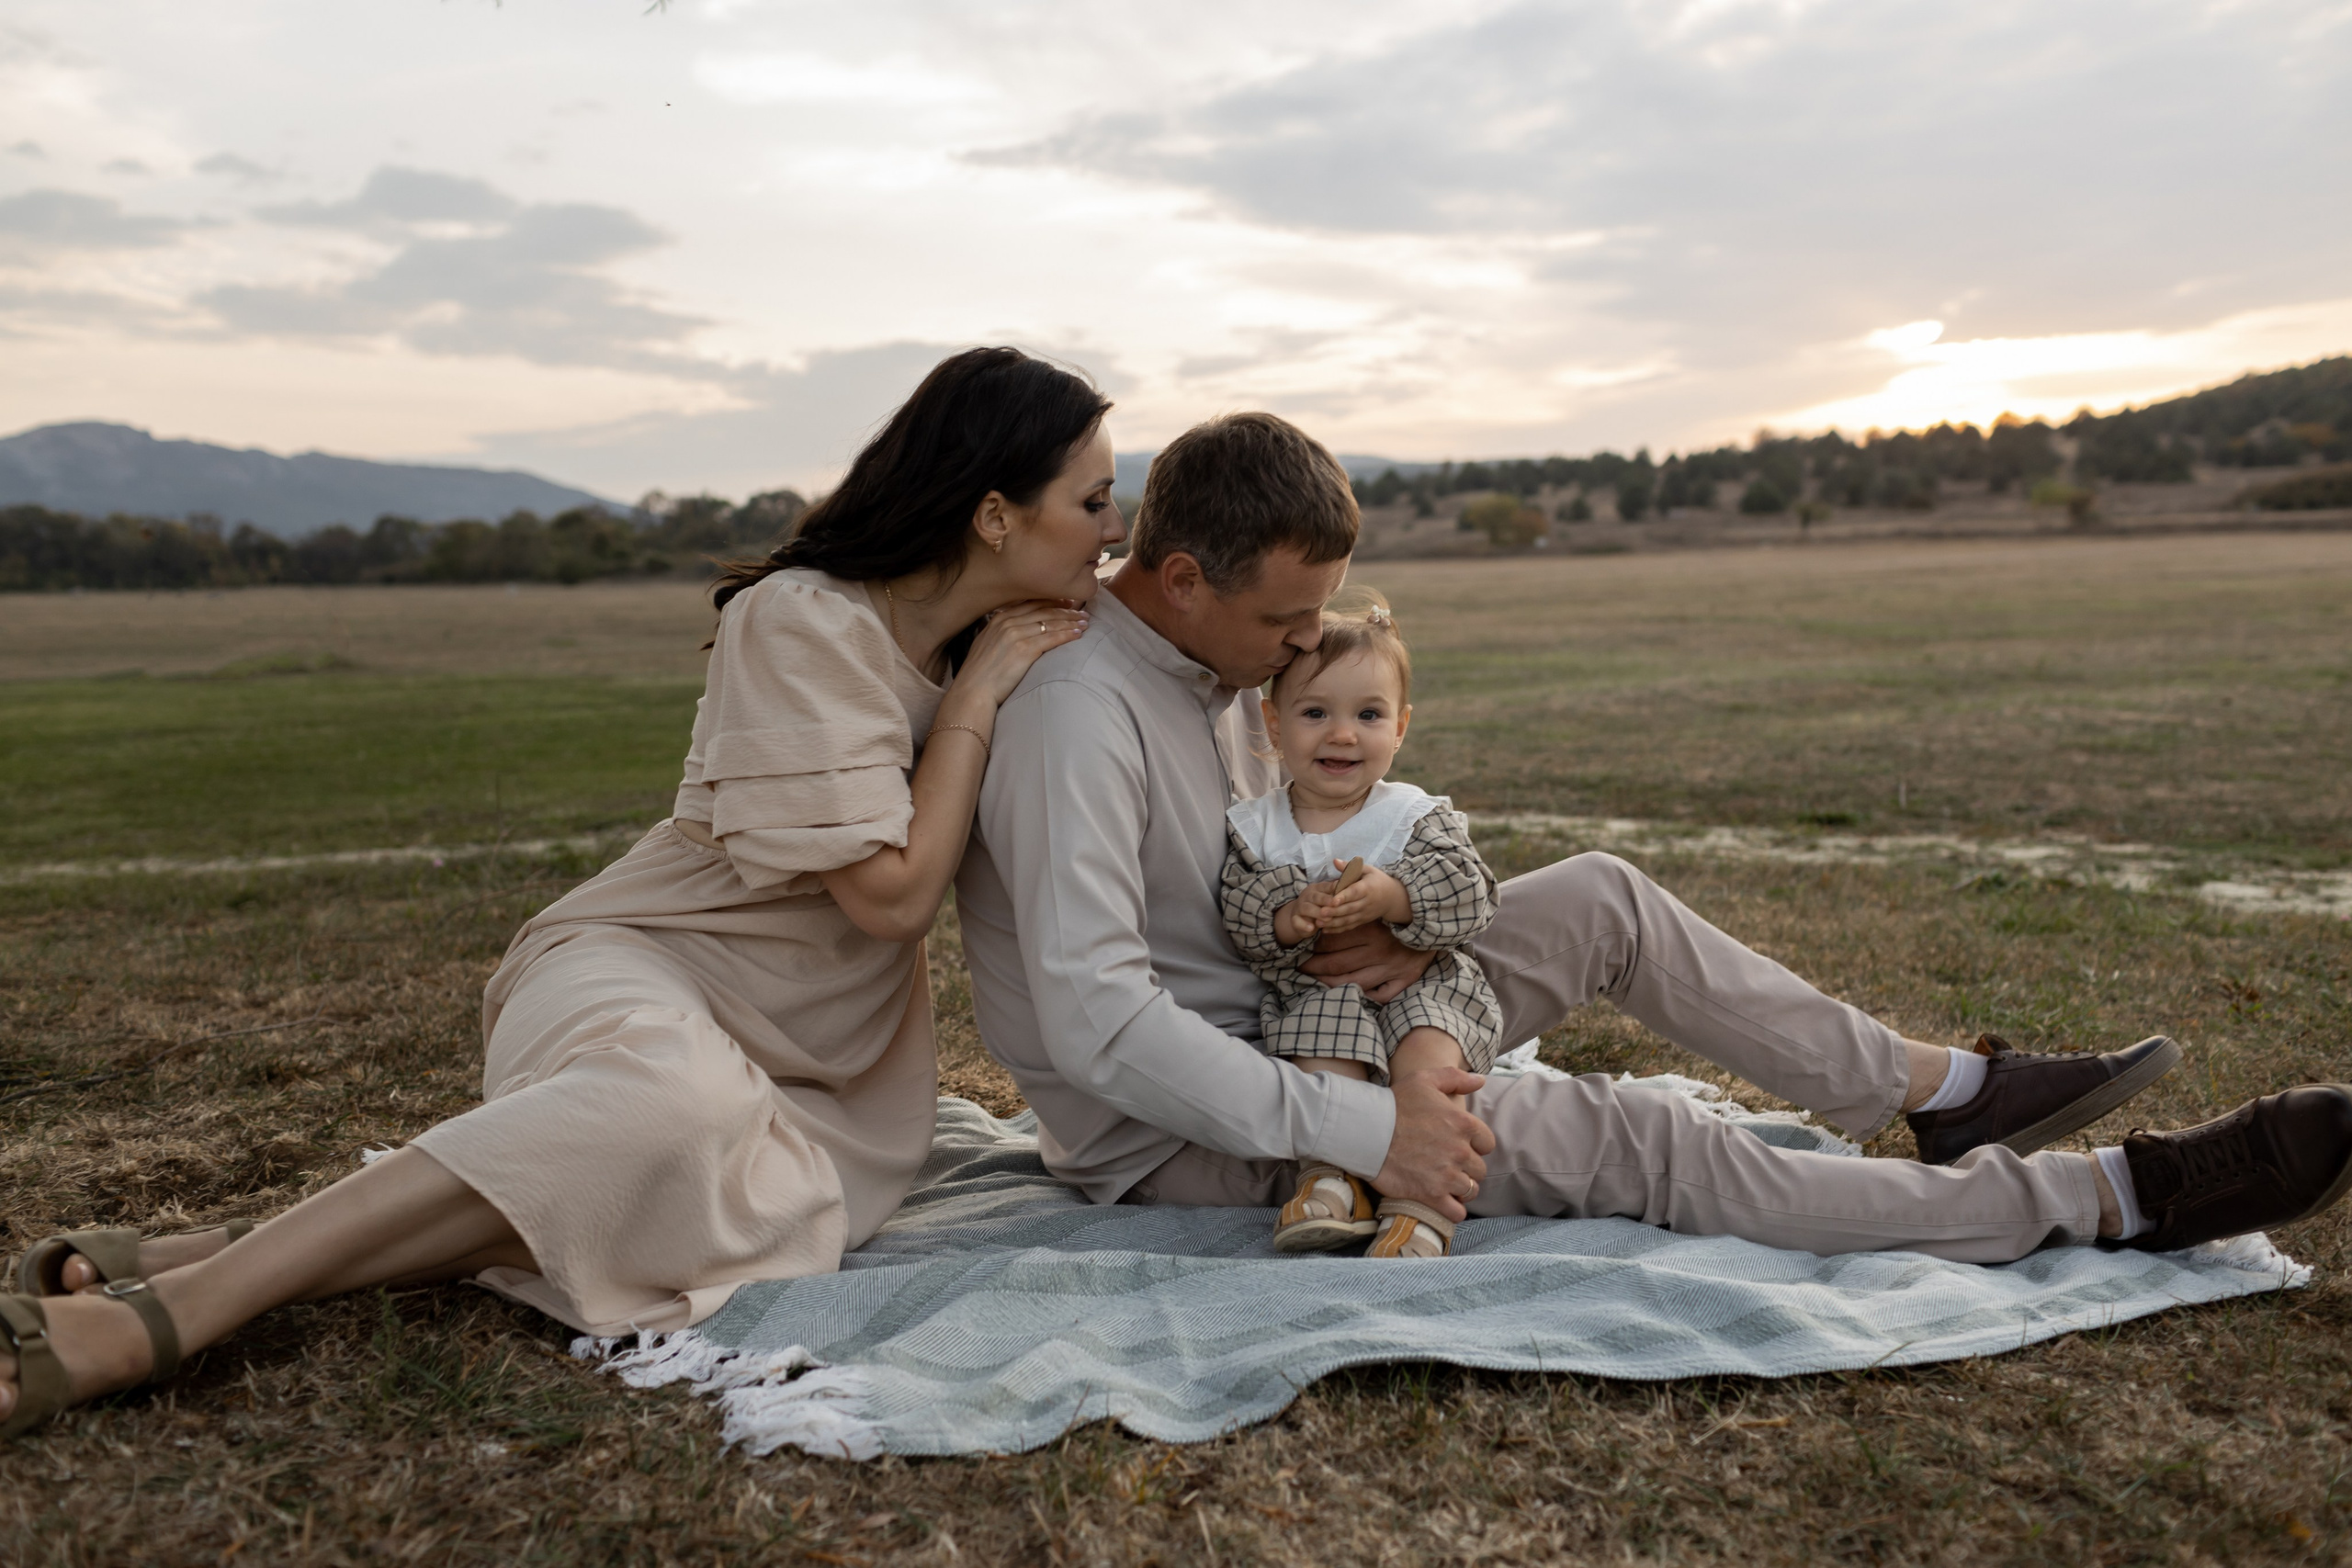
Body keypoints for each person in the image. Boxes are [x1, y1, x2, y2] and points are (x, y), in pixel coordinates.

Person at [0, 346, 1127, 1439]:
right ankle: (173, 1317)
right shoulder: (804, 617)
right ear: (994, 515)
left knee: (705, 1175)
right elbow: (887, 900)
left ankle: (202, 1250)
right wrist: (977, 696)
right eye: (1094, 500)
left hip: (836, 1060)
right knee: (674, 1111)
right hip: (655, 956)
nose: (1114, 528)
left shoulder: (1011, 637)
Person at [954, 408, 2352, 1266]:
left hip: (1308, 995)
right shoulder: (1082, 715)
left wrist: (1387, 913)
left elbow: (1245, 872)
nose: (1311, 646)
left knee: (1605, 897)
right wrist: (1370, 1122)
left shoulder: (1205, 670)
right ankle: (2112, 1195)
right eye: (1285, 624)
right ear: (1183, 575)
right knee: (1639, 1138)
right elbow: (1097, 1024)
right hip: (1191, 1120)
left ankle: (1940, 1090)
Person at [1220, 588, 1502, 1259]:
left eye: (1368, 714)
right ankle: (1332, 1180)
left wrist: (1395, 895)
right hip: (1322, 992)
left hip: (1425, 986)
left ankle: (1423, 1206)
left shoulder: (1409, 813)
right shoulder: (1257, 828)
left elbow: (1475, 893)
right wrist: (1291, 916)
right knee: (1321, 1047)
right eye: (1315, 712)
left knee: (1430, 1063)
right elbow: (1241, 910)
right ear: (1274, 722)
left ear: (1400, 727)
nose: (1343, 733)